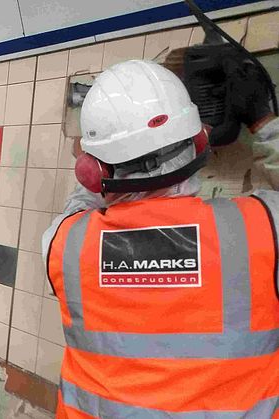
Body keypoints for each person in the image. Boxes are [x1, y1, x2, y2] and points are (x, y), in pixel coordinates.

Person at [42, 60, 279, 418]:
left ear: (93, 172)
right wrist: (265, 122)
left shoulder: (64, 246)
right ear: (200, 141)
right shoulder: (263, 228)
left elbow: (81, 201)